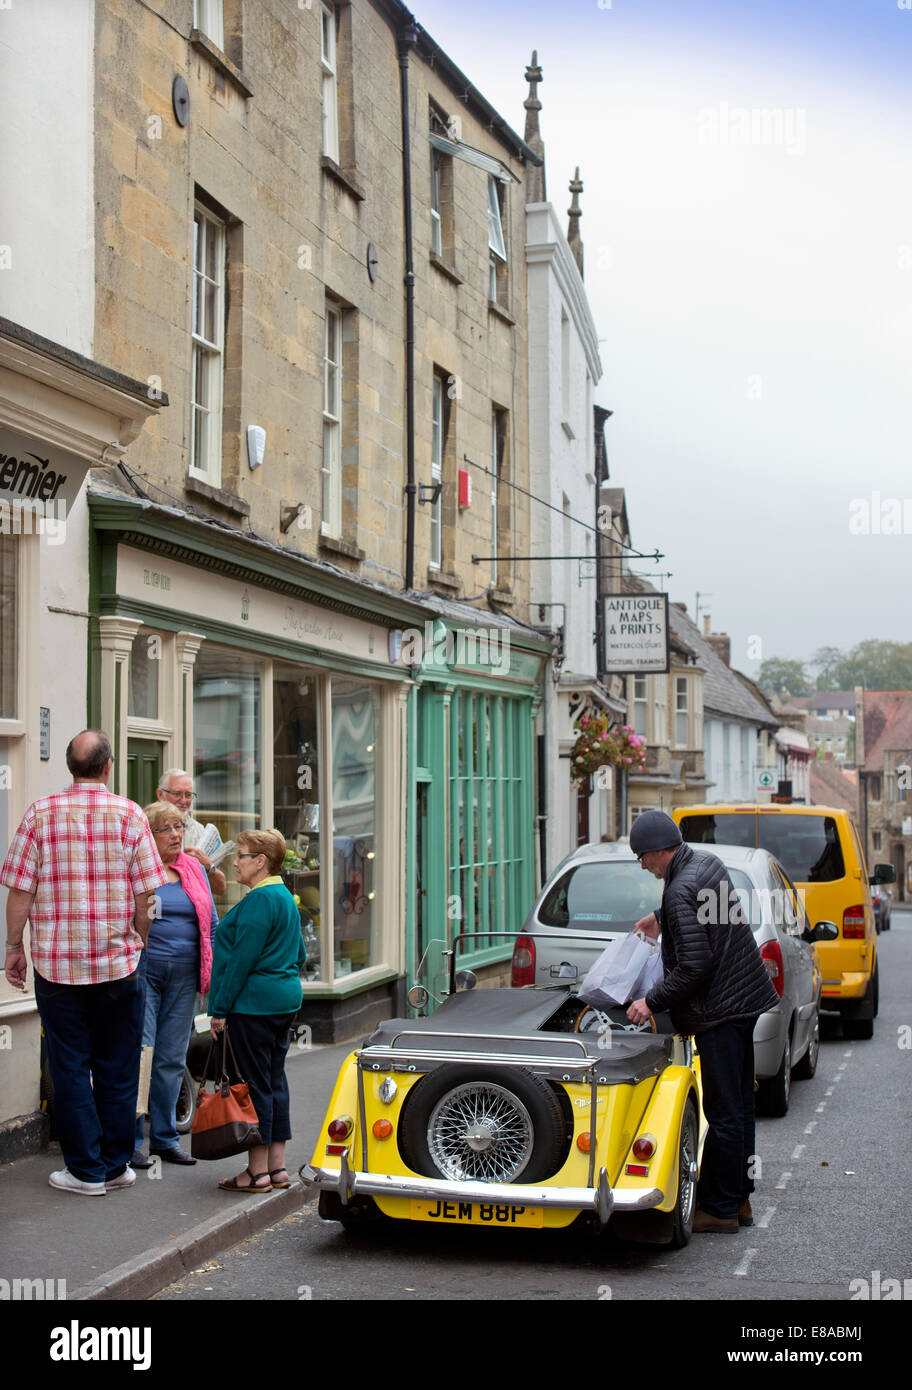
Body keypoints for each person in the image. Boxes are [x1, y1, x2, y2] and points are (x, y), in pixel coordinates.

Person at [1, 730, 167, 1195]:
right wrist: (141, 941)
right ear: (108, 766)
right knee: (119, 1064)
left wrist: (14, 947)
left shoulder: (40, 813)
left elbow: (20, 890)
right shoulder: (130, 815)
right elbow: (145, 896)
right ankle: (115, 1166)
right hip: (118, 966)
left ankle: (85, 1171)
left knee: (70, 1065)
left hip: (58, 967)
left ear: (70, 768)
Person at [626, 809, 779, 1234]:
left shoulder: (679, 890)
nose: (643, 866)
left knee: (723, 1110)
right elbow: (696, 906)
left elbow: (694, 967)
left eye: (642, 857)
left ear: (659, 851)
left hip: (719, 1010)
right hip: (744, 1000)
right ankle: (740, 1199)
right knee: (742, 1105)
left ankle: (720, 1207)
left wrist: (648, 1001)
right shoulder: (707, 863)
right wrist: (660, 919)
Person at [208, 829, 305, 1194]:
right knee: (274, 1081)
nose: (235, 862)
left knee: (251, 1086)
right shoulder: (283, 896)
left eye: (242, 855)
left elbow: (240, 962)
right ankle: (277, 1168)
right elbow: (298, 954)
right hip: (283, 1001)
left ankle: (256, 1173)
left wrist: (219, 1009)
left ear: (260, 861)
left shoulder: (258, 901)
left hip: (253, 1005)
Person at [132, 802, 219, 1169]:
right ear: (149, 835)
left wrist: (214, 976)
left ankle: (165, 1138)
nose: (176, 835)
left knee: (170, 1057)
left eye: (179, 826)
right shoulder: (138, 870)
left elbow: (211, 922)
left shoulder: (193, 869)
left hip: (186, 974)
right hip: (145, 971)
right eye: (166, 828)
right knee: (142, 1054)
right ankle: (131, 1140)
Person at [156, 768, 227, 897]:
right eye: (177, 794)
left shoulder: (200, 831)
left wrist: (208, 866)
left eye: (188, 795)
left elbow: (221, 889)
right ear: (160, 795)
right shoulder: (146, 827)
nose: (183, 801)